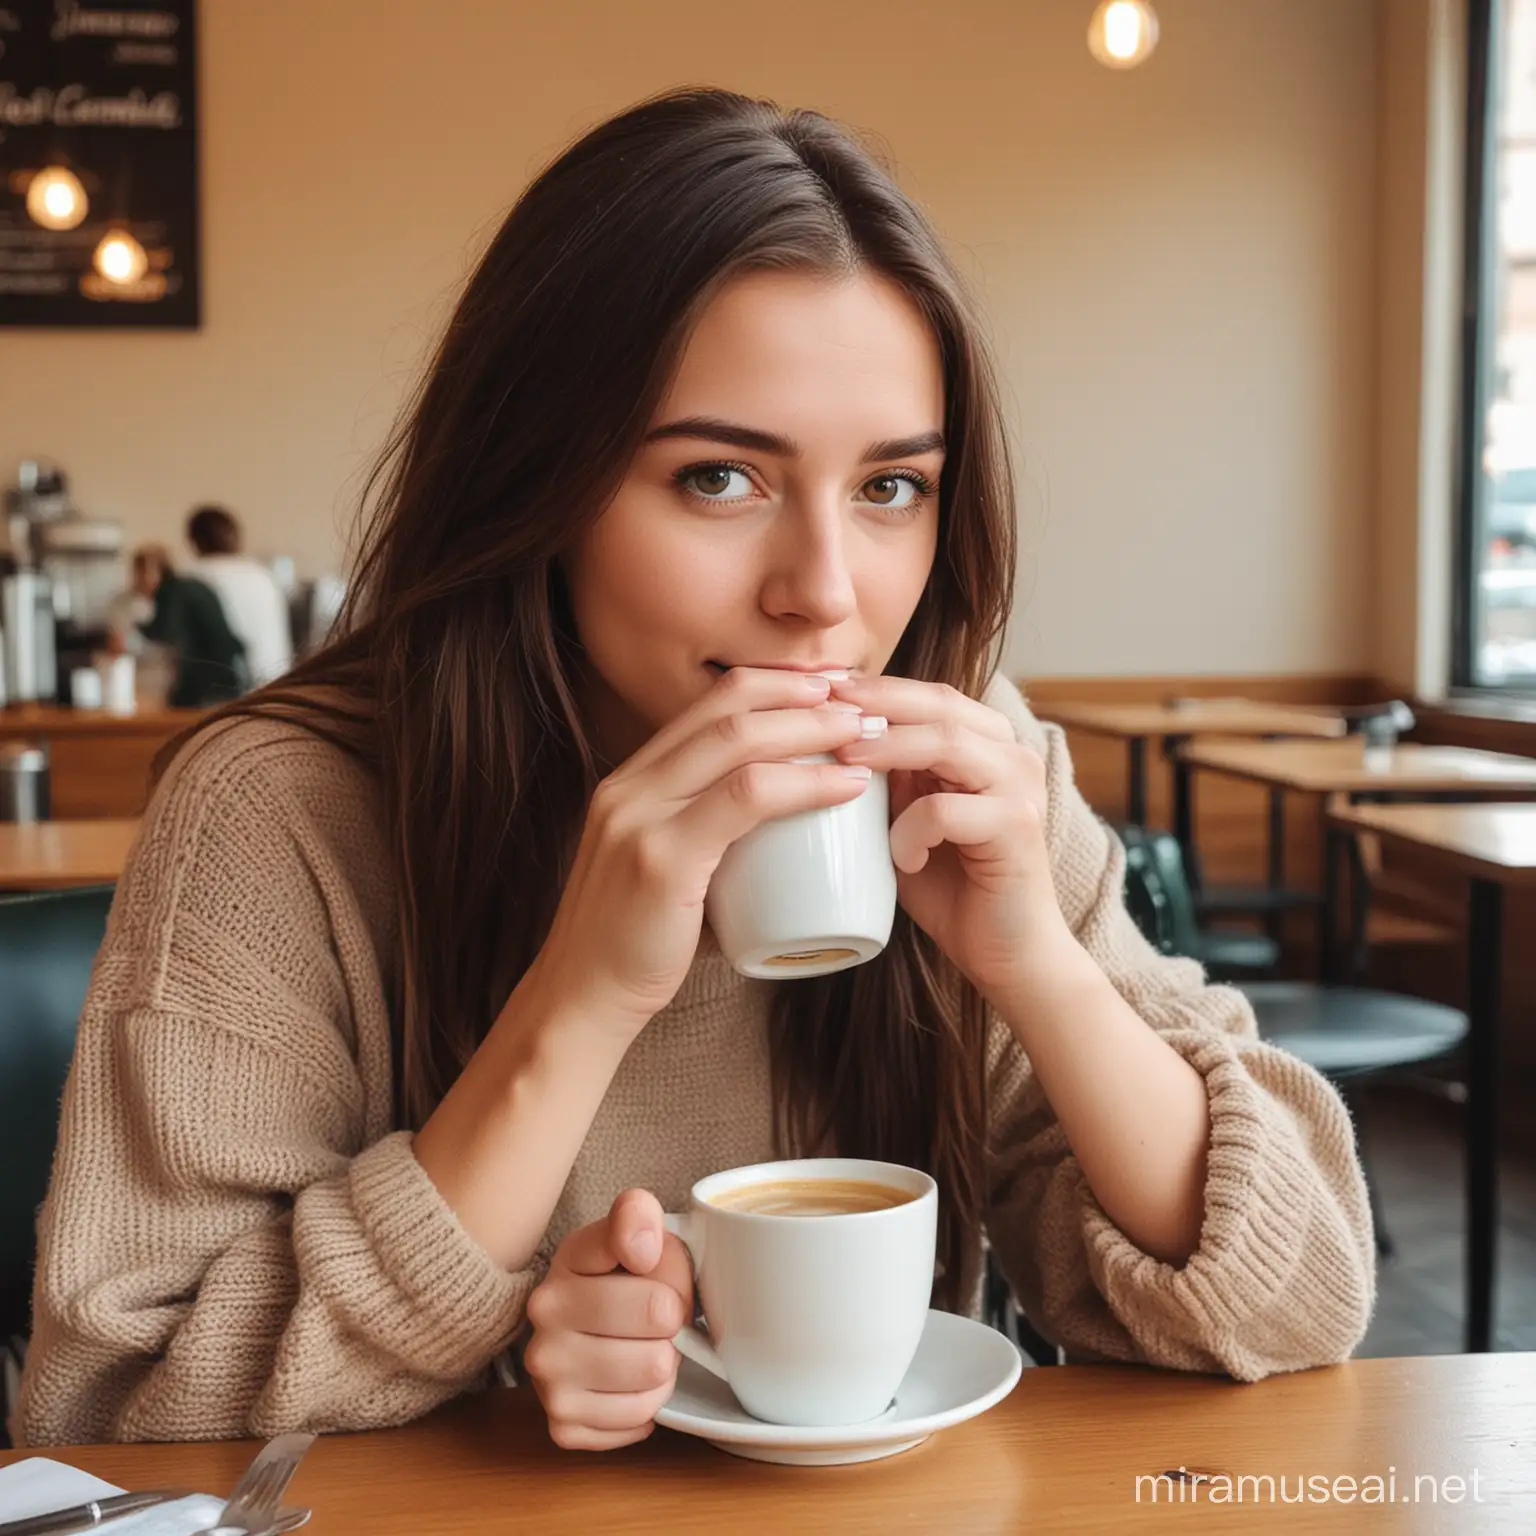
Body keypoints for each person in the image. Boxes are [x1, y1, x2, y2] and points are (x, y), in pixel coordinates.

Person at [12, 88, 1374, 1450]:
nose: (825, 595)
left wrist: (1043, 968)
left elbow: (1301, 1299)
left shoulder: (966, 766)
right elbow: (121, 1407)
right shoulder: (281, 813)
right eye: (721, 478)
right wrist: (583, 997)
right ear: (536, 481)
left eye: (891, 487)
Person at [117, 544, 248, 709]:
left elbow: (168, 633)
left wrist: (135, 627)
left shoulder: (170, 593)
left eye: (139, 573)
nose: (136, 581)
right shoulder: (188, 587)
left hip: (207, 679)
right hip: (229, 673)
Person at [185, 505, 296, 686]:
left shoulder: (194, 578)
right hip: (275, 685)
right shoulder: (263, 575)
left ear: (193, 541)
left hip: (220, 692)